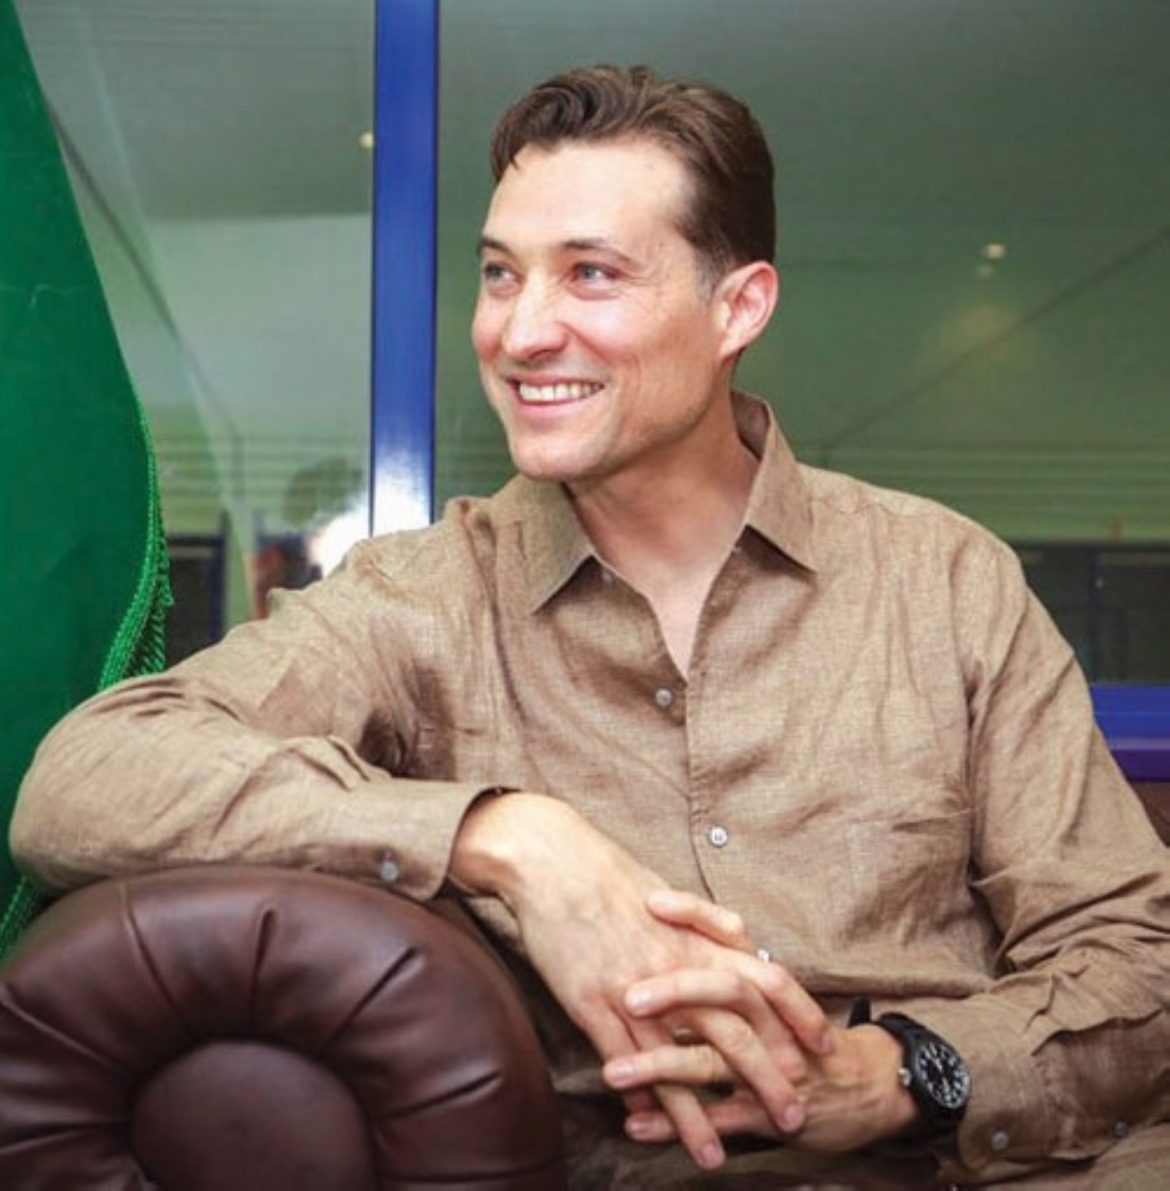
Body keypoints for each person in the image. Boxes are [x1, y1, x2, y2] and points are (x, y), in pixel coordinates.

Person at [11, 65, 1170, 1188]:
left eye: (591, 275)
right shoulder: (419, 601)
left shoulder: (945, 578)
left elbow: (1136, 955)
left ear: (738, 307)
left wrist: (899, 1076)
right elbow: (84, 781)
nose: (520, 333)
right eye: (500, 274)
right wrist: (507, 838)